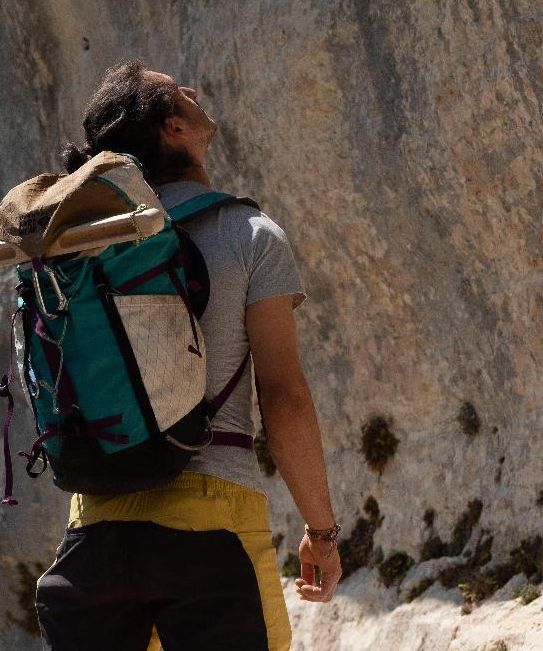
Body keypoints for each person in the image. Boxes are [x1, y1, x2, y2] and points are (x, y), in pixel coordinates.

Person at [35, 60, 342, 651]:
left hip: (96, 529)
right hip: (211, 518)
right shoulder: (249, 234)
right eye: (178, 91)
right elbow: (283, 398)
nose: (194, 91)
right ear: (173, 127)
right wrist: (322, 532)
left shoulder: (80, 248)